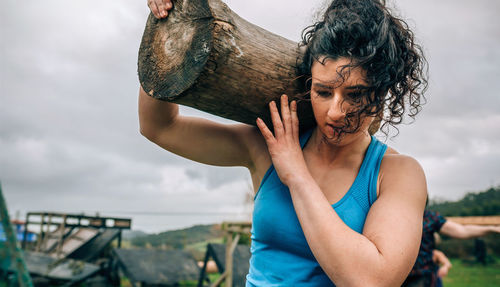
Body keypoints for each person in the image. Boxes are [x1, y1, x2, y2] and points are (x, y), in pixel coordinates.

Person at [140, 0, 429, 285]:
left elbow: (371, 281)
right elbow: (160, 127)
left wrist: (297, 176)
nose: (335, 112)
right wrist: (164, 26)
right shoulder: (270, 144)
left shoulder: (397, 174)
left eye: (355, 95)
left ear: (382, 92)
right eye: (324, 92)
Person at [403, 209, 500, 287]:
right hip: (395, 275)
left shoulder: (429, 217)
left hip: (422, 277)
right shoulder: (392, 214)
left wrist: (491, 228)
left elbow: (463, 230)